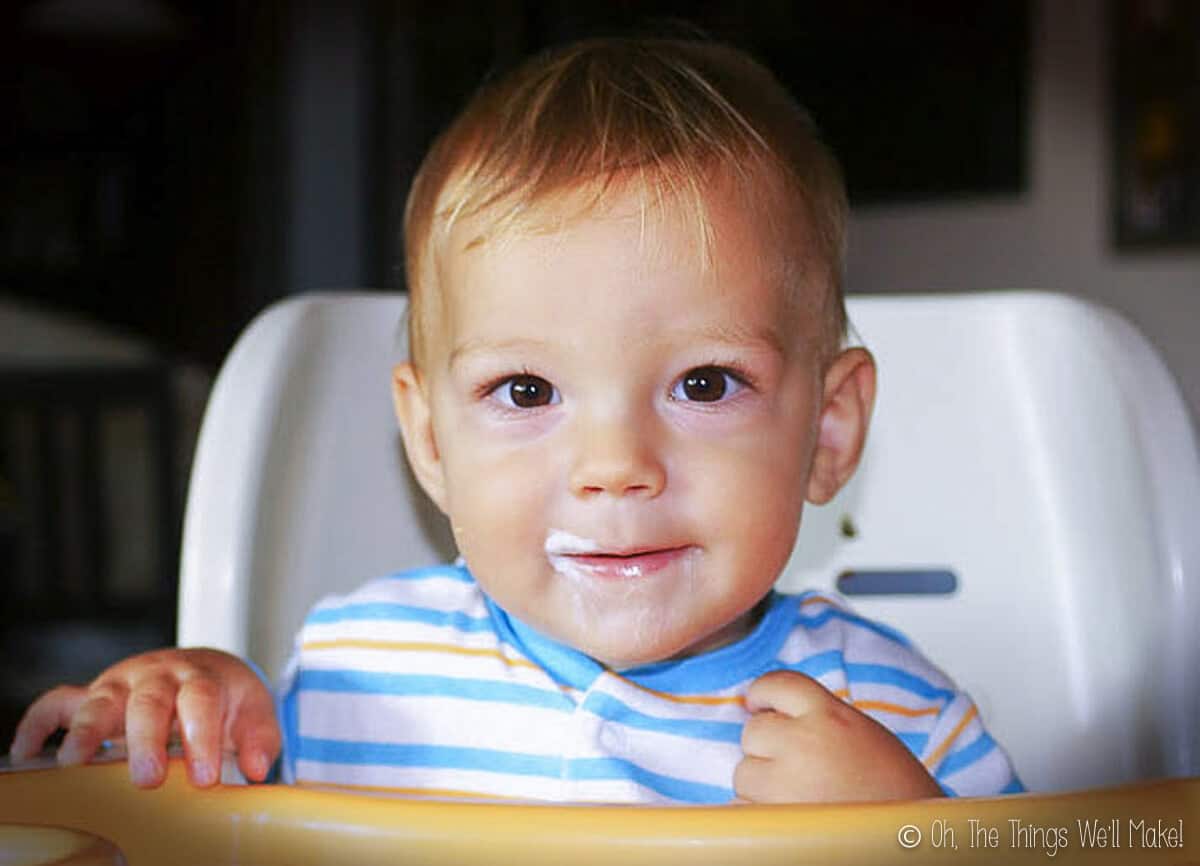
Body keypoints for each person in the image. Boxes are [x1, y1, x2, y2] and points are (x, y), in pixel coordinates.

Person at [10, 37, 1023, 804]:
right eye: (528, 391)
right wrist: (173, 728)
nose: (616, 465)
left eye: (706, 383)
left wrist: (912, 836)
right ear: (432, 441)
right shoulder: (353, 671)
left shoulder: (895, 714)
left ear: (830, 429)